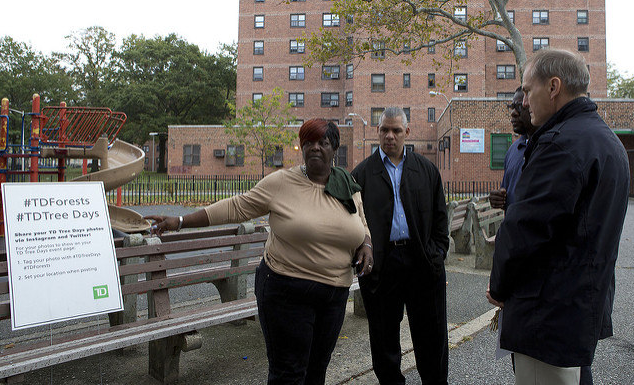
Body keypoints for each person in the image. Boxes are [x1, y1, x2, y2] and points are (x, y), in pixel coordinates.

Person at [146, 119, 373, 384]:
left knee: (317, 370)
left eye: (322, 143)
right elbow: (237, 207)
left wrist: (366, 243)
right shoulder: (282, 183)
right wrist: (181, 221)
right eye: (308, 142)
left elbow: (360, 220)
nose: (314, 148)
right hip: (287, 292)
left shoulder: (346, 184)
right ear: (301, 147)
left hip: (333, 296)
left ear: (334, 148)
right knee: (288, 373)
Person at [487, 48, 630, 385]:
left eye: (526, 89)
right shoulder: (607, 142)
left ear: (553, 87)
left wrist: (499, 285)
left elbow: (523, 229)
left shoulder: (559, 143)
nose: (523, 101)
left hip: (547, 315)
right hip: (579, 309)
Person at [351, 107, 449, 385]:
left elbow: (441, 219)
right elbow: (353, 221)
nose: (390, 136)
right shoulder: (363, 174)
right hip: (383, 266)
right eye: (384, 130)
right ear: (377, 132)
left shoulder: (426, 170)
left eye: (396, 130)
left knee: (431, 336)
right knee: (384, 340)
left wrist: (437, 254)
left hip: (422, 263)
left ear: (407, 132)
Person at [489, 86, 536, 210]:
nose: (513, 113)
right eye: (512, 107)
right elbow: (507, 192)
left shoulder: (548, 147)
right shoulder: (513, 149)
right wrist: (499, 199)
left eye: (519, 107)